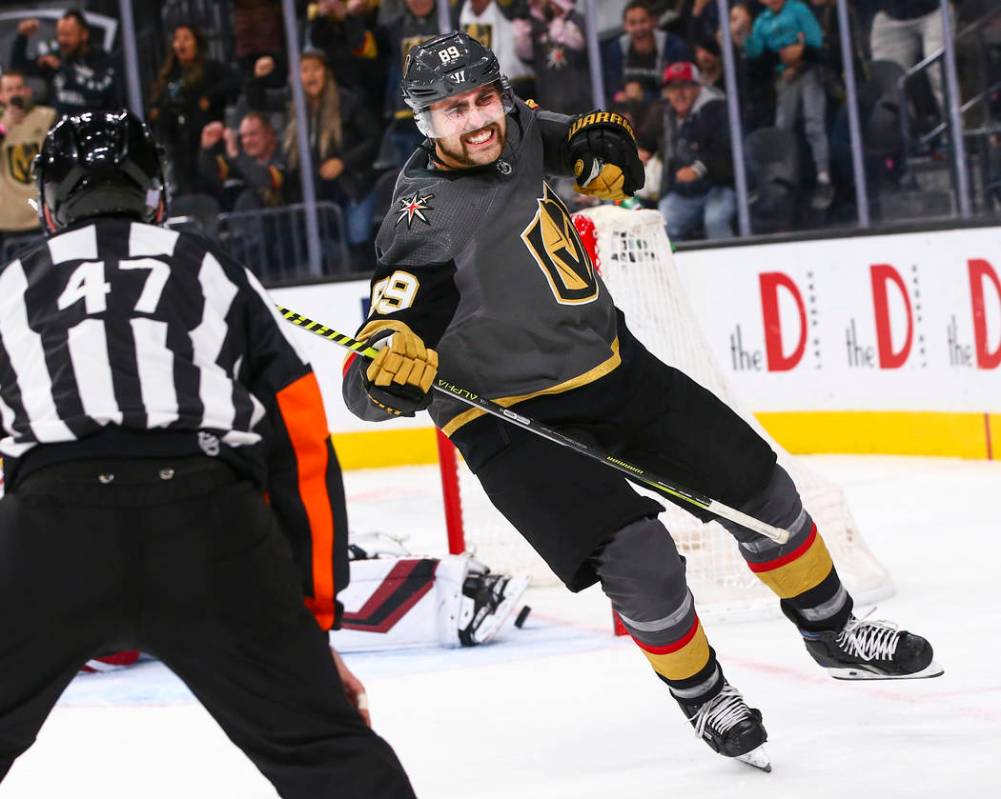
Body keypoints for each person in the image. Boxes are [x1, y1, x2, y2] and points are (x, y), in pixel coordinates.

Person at [342, 31, 941, 772]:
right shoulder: (423, 221)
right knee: (642, 558)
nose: (476, 120)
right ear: (424, 121)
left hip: (606, 363)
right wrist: (381, 374)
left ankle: (834, 629)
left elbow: (568, 141)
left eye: (483, 98)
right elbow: (376, 353)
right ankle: (703, 695)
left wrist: (598, 145)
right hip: (508, 417)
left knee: (764, 492)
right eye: (453, 110)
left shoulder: (515, 126)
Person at [0, 109, 416, 798]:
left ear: (49, 207)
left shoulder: (14, 284)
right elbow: (301, 441)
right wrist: (309, 626)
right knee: (328, 753)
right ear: (157, 197)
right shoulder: (212, 267)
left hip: (52, 529)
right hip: (205, 526)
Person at [250, 50, 382, 267]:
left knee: (357, 242)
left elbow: (374, 138)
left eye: (316, 69)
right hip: (317, 192)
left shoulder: (348, 101)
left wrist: (343, 162)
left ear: (327, 73)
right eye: (304, 70)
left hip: (351, 187)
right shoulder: (292, 102)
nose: (311, 75)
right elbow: (258, 101)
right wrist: (257, 78)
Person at [745, 0, 835, 210]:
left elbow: (816, 40)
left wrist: (800, 55)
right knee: (782, 127)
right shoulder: (761, 21)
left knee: (814, 124)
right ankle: (780, 178)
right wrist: (747, 36)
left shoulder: (797, 8)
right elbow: (757, 54)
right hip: (785, 77)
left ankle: (824, 177)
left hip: (809, 72)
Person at [638, 61, 735, 242]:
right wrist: (640, 152)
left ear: (697, 88)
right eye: (673, 88)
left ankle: (728, 267)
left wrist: (698, 169)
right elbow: (647, 139)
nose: (679, 93)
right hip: (685, 192)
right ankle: (674, 269)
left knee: (715, 220)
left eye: (685, 86)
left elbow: (724, 149)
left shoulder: (716, 108)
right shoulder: (665, 111)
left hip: (719, 185)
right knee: (664, 222)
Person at [149, 24, 240, 196]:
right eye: (177, 39)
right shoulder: (169, 76)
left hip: (207, 145)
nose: (180, 43)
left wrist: (210, 98)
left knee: (208, 187)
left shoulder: (210, 68)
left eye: (186, 38)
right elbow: (159, 104)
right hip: (178, 147)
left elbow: (235, 82)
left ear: (197, 43)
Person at [10, 11, 121, 117]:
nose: (62, 40)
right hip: (62, 130)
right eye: (59, 35)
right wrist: (22, 37)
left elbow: (99, 93)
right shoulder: (55, 57)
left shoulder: (102, 59)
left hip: (93, 127)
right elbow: (18, 68)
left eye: (67, 35)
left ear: (84, 34)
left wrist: (62, 68)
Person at [0, 71, 56, 250]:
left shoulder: (47, 117)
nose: (15, 93)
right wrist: (4, 127)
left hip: (41, 217)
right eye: (9, 89)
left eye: (19, 88)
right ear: (1, 95)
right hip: (9, 222)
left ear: (28, 91)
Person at [602, 0, 692, 105]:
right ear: (625, 26)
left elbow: (680, 90)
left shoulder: (673, 47)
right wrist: (618, 94)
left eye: (643, 21)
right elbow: (610, 85)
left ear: (653, 22)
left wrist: (645, 96)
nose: (638, 28)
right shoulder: (617, 48)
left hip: (665, 108)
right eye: (632, 23)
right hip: (628, 111)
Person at [512, 0, 591, 115]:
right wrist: (523, 34)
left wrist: (558, 21)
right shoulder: (533, 26)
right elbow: (526, 55)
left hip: (581, 97)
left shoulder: (575, 19)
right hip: (550, 101)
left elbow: (581, 46)